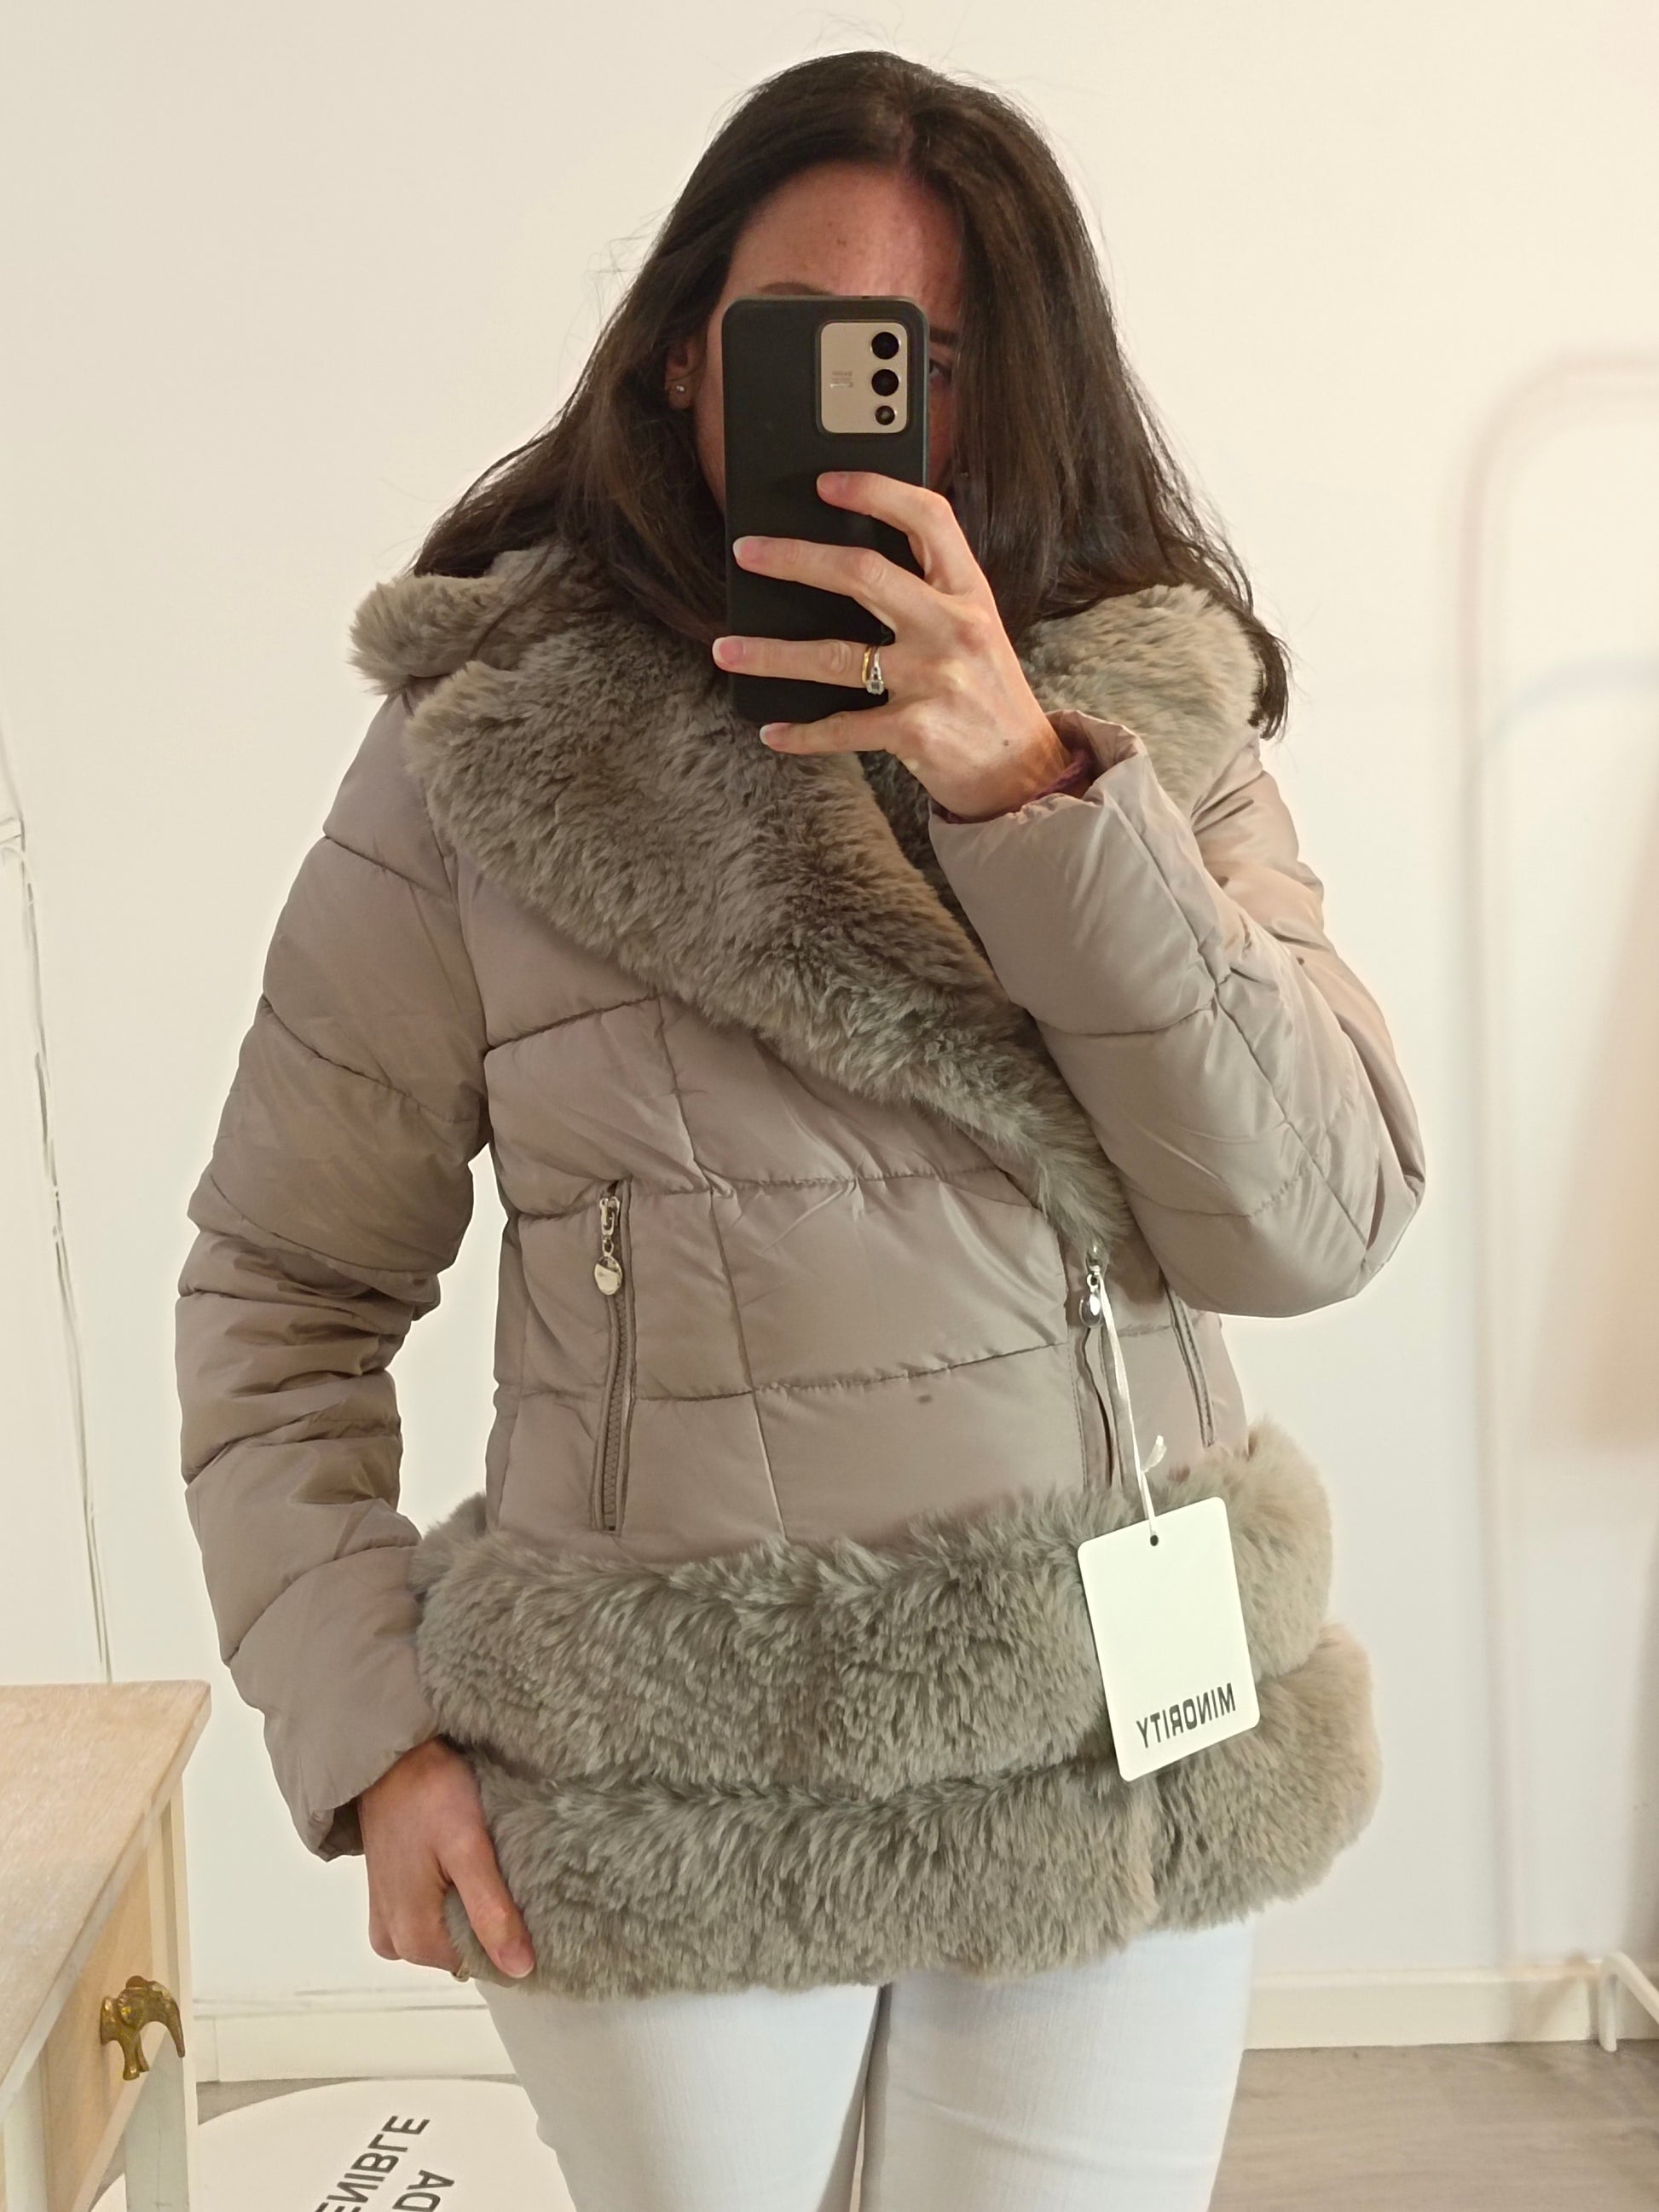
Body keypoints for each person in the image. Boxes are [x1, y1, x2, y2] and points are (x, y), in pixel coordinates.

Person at [175, 48, 1425, 2212]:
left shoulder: (1145, 715)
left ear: (1021, 381)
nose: (872, 409)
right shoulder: (491, 746)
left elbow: (1314, 1220)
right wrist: (370, 1728)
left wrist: (1034, 793)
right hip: (674, 1761)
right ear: (687, 352)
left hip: (1110, 1728)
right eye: (810, 342)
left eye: (932, 357)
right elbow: (281, 1292)